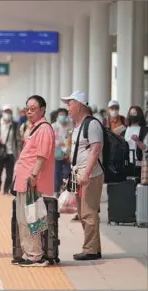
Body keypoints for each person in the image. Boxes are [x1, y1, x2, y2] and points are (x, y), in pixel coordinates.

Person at [12, 95, 55, 267]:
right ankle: (30, 253)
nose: (29, 111)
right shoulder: (34, 128)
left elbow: (42, 155)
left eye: (33, 108)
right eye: (27, 108)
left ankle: (35, 256)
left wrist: (34, 175)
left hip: (31, 182)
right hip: (24, 181)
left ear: (43, 110)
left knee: (31, 218)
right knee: (24, 218)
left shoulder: (44, 129)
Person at [61, 90, 103, 261]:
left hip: (90, 175)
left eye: (70, 103)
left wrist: (86, 173)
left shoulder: (91, 124)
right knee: (83, 212)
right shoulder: (78, 126)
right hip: (79, 174)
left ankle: (90, 250)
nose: (68, 107)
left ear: (79, 104)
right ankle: (94, 247)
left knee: (88, 212)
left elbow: (95, 150)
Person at [0, 104, 21, 194]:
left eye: (9, 112)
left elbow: (18, 139)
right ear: (3, 113)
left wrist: (19, 151)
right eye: (6, 112)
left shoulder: (15, 125)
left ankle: (6, 190)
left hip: (10, 152)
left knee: (10, 174)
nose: (8, 114)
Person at [121, 106, 148, 177]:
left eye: (134, 113)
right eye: (131, 113)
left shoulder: (144, 130)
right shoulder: (124, 130)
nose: (132, 115)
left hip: (140, 164)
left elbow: (146, 148)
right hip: (126, 163)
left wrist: (137, 141)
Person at [52, 108, 72, 195]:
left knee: (67, 173)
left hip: (67, 154)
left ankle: (65, 190)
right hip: (56, 154)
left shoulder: (70, 126)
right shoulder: (53, 126)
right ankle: (56, 191)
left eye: (64, 115)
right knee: (57, 172)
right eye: (60, 115)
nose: (62, 117)